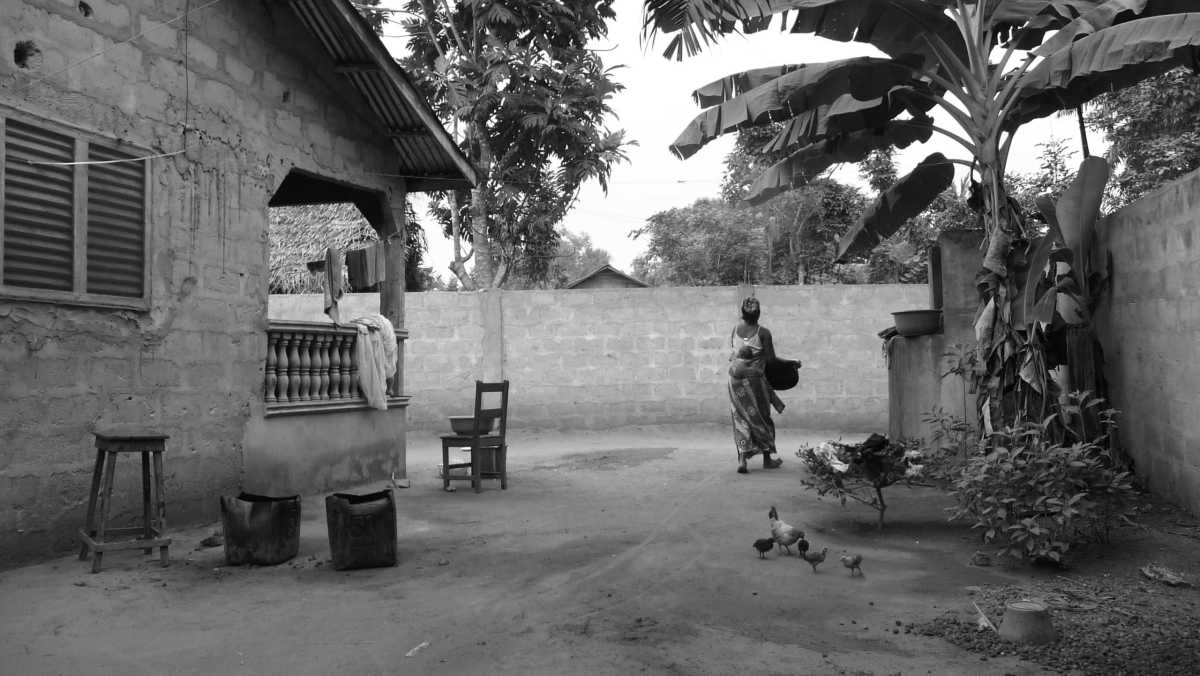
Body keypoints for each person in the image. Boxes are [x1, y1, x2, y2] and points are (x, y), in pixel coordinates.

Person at [728, 297, 800, 474]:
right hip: (754, 383)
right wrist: (791, 363)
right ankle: (767, 460)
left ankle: (742, 460)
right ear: (759, 313)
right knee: (762, 419)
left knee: (740, 418)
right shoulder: (764, 333)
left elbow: (733, 354)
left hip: (734, 382)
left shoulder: (735, 330)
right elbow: (771, 361)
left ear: (742, 313)